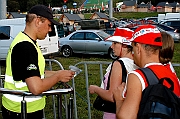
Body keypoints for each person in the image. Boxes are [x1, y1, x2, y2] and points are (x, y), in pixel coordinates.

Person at [2, 5, 75, 119]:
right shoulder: (25, 47)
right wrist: (57, 77)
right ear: (37, 21)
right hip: (23, 110)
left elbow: (32, 74)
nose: (50, 30)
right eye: (49, 25)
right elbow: (35, 88)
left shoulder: (24, 41)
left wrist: (58, 73)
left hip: (20, 109)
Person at [113, 25, 180, 119]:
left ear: (138, 48)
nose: (132, 54)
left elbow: (126, 117)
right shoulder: (173, 77)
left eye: (132, 48)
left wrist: (118, 99)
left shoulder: (137, 76)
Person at [89, 28, 139, 119]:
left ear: (124, 45)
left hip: (114, 113)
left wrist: (95, 89)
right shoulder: (137, 63)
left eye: (115, 43)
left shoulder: (118, 64)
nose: (111, 46)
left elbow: (111, 96)